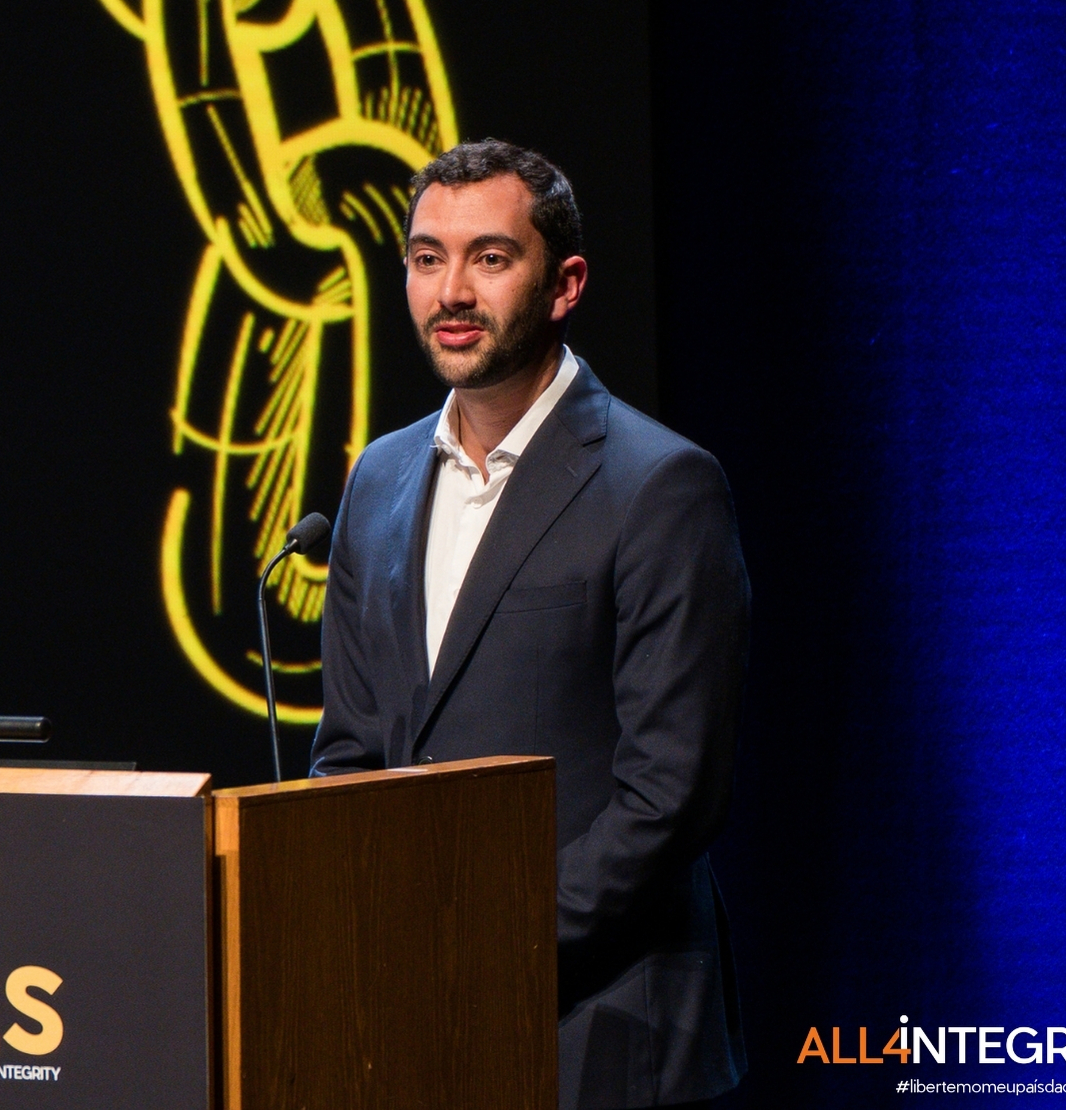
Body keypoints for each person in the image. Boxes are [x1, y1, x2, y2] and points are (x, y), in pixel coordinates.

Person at [309, 139, 749, 1109]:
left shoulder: (660, 485)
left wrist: (486, 945)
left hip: (600, 1022)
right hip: (414, 1025)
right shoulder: (376, 479)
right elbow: (348, 753)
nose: (451, 291)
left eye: (490, 257)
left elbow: (670, 794)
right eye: (427, 257)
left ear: (564, 284)